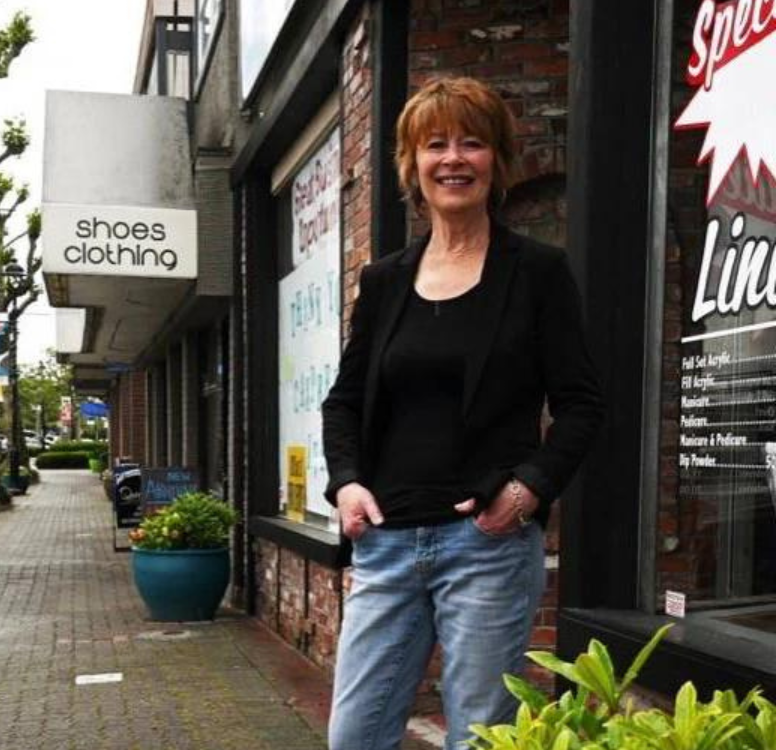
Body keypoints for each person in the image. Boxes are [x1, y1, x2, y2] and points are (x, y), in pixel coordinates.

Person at [321, 77, 604, 750]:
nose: (454, 159)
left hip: (486, 545)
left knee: (479, 739)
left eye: (472, 143)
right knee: (354, 736)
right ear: (412, 165)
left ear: (497, 162)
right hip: (387, 543)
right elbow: (346, 401)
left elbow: (581, 405)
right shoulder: (385, 280)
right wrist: (347, 482)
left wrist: (527, 489)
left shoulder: (536, 272)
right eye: (435, 144)